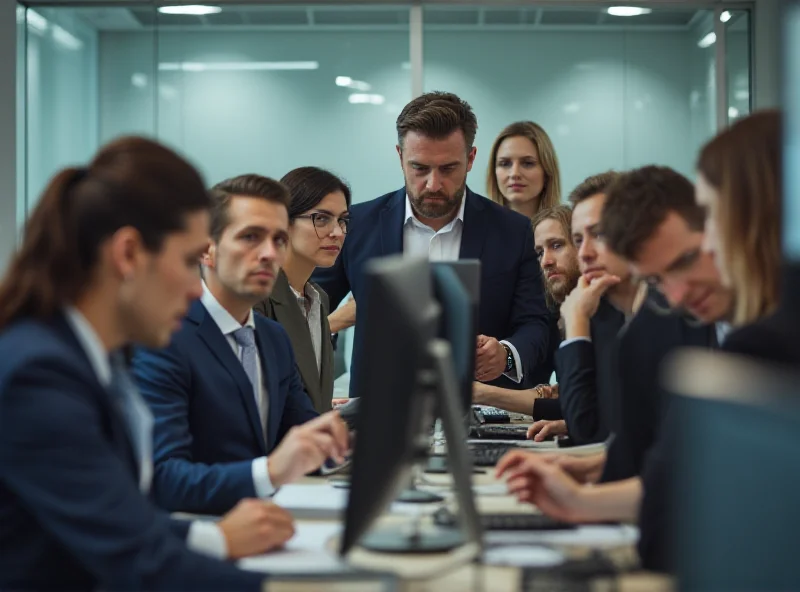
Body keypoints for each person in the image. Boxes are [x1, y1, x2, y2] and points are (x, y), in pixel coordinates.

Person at [0, 137, 292, 591]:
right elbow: (137, 558)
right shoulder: (38, 376)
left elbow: (121, 519)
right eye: (188, 260)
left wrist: (213, 538)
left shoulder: (95, 357)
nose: (198, 290)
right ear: (128, 254)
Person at [496, 110, 782, 573]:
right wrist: (587, 482)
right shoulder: (663, 319)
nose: (679, 290)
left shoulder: (761, 339)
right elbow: (674, 467)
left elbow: (600, 430)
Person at [132, 174, 349, 516]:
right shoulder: (164, 338)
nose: (268, 253)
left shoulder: (273, 338)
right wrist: (271, 471)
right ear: (206, 248)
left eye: (278, 240)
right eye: (250, 237)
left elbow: (308, 437)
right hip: (196, 535)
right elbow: (164, 479)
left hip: (266, 525)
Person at [313, 91, 553, 393]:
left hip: (480, 412)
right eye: (420, 168)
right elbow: (304, 313)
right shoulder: (357, 225)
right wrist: (339, 319)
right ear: (400, 157)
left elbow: (535, 324)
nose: (433, 184)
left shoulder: (513, 230)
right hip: (376, 413)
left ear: (470, 159)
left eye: (448, 169)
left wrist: (506, 355)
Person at [472, 205, 579, 439]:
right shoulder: (565, 312)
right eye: (539, 253)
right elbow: (581, 408)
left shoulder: (598, 313)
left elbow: (585, 410)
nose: (546, 262)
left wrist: (477, 392)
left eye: (557, 245)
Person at [254, 167, 350, 413]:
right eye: (321, 218)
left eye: (343, 220)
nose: (337, 232)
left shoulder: (318, 299)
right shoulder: (257, 299)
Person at [485, 121, 562, 219]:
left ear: (547, 172)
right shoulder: (473, 229)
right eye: (505, 164)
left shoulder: (571, 231)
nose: (514, 173)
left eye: (528, 163)